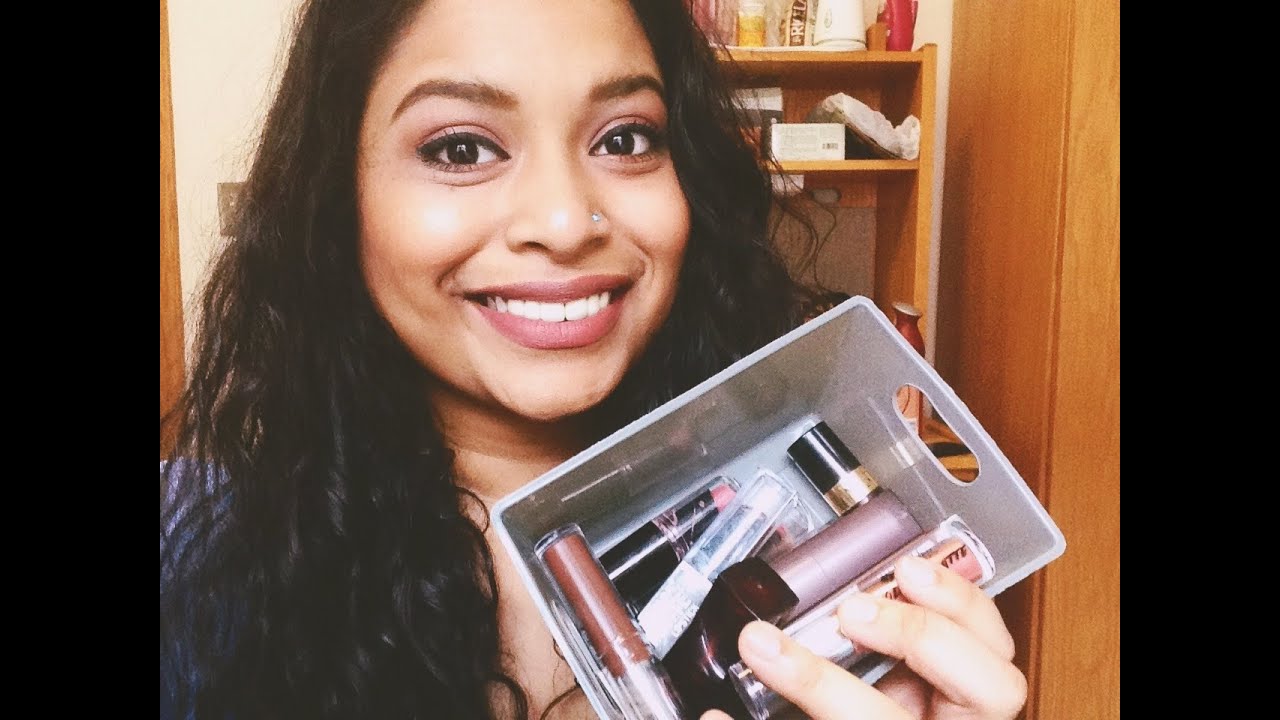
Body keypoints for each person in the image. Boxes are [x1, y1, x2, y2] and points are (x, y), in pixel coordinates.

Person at [159, 1, 1028, 718]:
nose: (567, 222)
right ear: (337, 195)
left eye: (623, 139)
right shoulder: (191, 552)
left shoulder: (837, 535)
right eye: (461, 148)